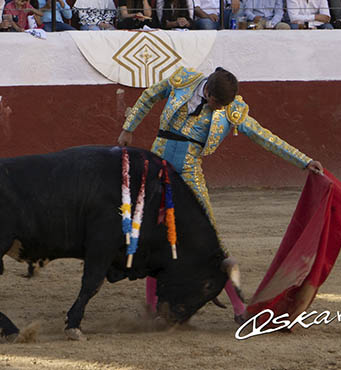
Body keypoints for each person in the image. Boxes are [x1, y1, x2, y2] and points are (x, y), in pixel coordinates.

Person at [117, 66, 324, 323]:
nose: (220, 109)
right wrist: (128, 128)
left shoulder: (230, 109)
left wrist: (304, 161)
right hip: (157, 166)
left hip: (189, 171)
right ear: (209, 94)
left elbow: (264, 137)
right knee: (152, 233)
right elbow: (149, 95)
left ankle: (239, 308)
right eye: (218, 104)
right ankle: (151, 307)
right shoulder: (183, 81)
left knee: (213, 241)